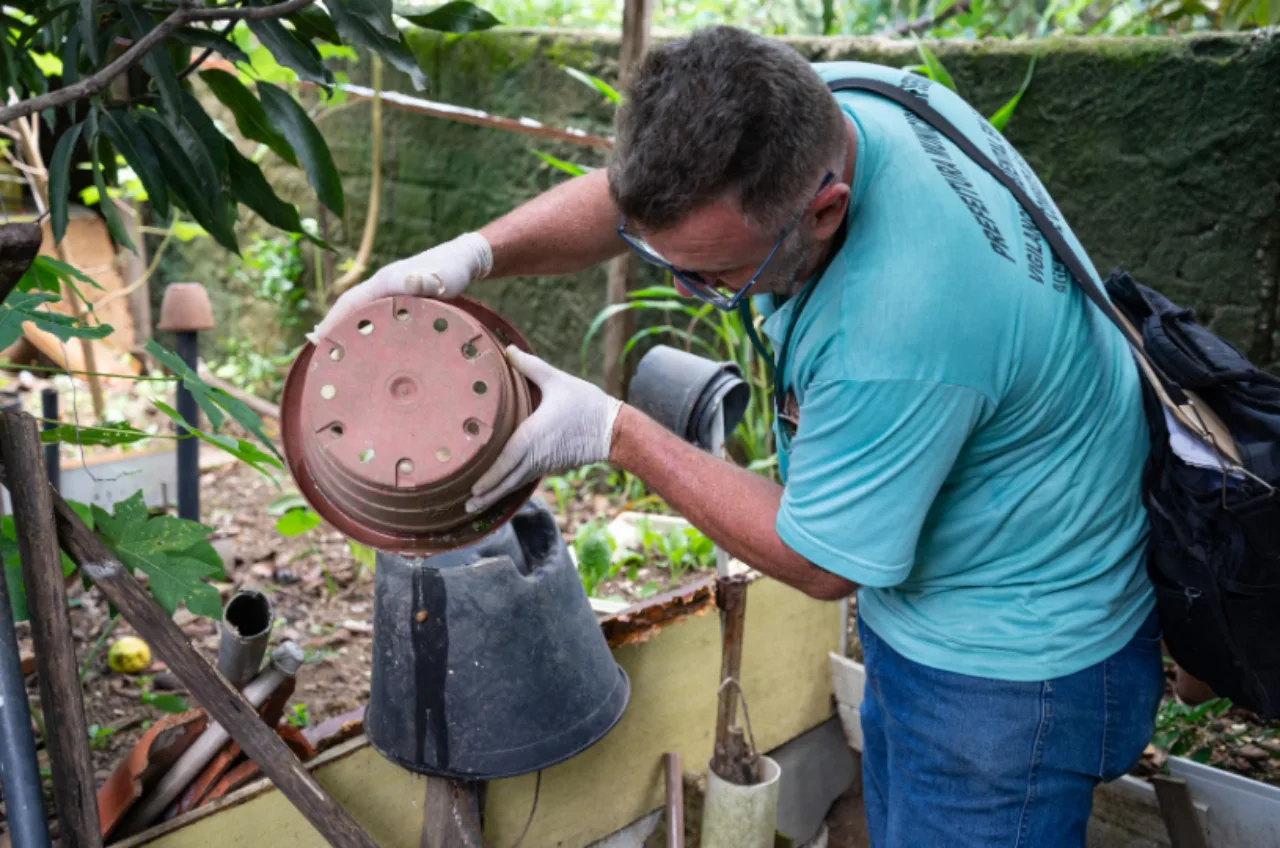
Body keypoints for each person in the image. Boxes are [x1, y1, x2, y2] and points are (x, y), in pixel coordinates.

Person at [313, 26, 1164, 847]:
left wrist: (619, 434)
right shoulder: (833, 110)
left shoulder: (901, 329)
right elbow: (626, 202)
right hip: (952, 595)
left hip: (1012, 670)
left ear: (824, 210)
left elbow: (822, 562)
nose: (688, 294)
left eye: (717, 275)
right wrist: (468, 256)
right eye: (669, 263)